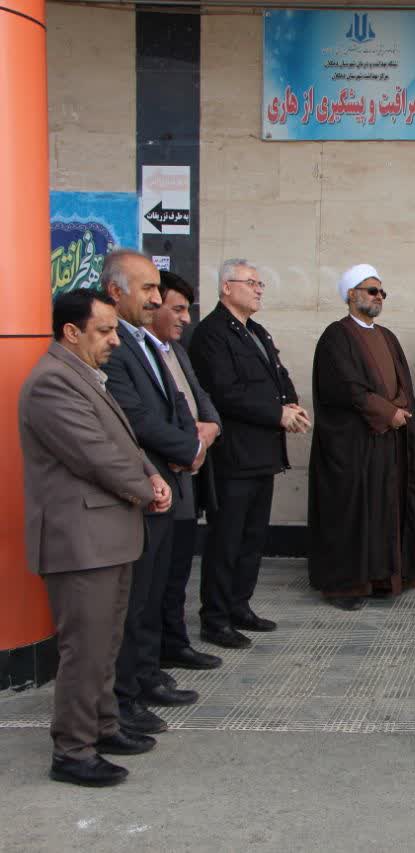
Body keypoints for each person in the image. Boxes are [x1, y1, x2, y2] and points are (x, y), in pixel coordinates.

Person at [19, 290, 171, 787]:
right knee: (84, 649)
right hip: (80, 543)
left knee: (105, 643)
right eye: (104, 331)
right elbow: (94, 455)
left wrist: (151, 473)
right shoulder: (52, 382)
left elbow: (122, 442)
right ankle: (73, 751)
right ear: (71, 332)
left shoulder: (82, 374)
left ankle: (103, 726)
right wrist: (146, 491)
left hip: (108, 536)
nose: (114, 340)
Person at [100, 251, 202, 736]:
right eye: (147, 289)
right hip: (142, 489)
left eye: (158, 289)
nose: (157, 299)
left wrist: (193, 444)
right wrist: (187, 447)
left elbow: (177, 402)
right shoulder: (115, 346)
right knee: (134, 600)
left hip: (168, 482)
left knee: (155, 590)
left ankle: (145, 677)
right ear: (115, 291)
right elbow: (134, 417)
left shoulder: (145, 342)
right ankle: (125, 697)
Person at [189, 259, 309, 649]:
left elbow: (279, 375)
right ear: (226, 287)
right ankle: (215, 619)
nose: (258, 289)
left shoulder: (255, 331)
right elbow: (225, 393)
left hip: (263, 454)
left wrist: (291, 405)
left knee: (252, 538)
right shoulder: (211, 334)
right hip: (233, 456)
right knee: (226, 540)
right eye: (251, 283)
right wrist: (277, 414)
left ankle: (239, 606)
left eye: (260, 284)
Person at [309, 264, 415, 609]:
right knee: (354, 513)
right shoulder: (336, 336)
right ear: (351, 295)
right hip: (354, 446)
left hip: (388, 443)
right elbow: (347, 387)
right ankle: (347, 586)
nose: (379, 297)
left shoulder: (387, 337)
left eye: (382, 292)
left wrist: (400, 409)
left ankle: (383, 578)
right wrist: (388, 413)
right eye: (372, 291)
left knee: (385, 511)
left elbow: (403, 383)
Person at [151, 271, 223, 673]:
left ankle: (175, 643)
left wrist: (210, 430)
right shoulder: (135, 352)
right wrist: (189, 447)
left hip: (190, 474)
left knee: (179, 568)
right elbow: (142, 418)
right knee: (159, 575)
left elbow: (200, 398)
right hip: (164, 476)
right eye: (177, 309)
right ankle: (157, 654)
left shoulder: (176, 351)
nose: (185, 318)